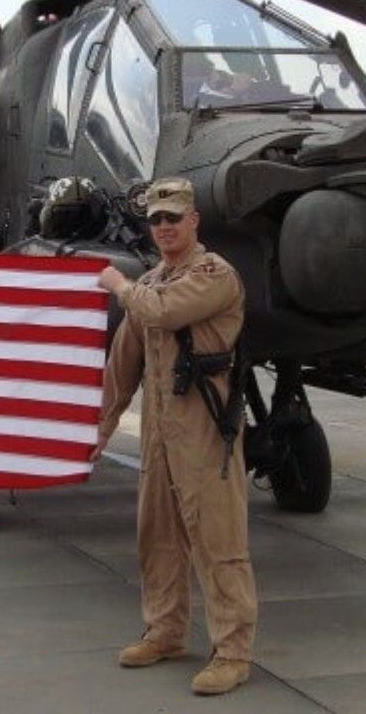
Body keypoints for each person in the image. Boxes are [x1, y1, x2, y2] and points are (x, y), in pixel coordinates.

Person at [92, 176, 257, 696]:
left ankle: (232, 652)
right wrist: (102, 428)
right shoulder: (154, 282)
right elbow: (124, 363)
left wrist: (119, 285)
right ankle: (164, 631)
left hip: (205, 428)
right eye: (156, 220)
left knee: (217, 540)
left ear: (194, 221)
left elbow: (159, 312)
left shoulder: (213, 275)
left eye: (173, 218)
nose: (164, 227)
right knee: (157, 536)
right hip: (161, 432)